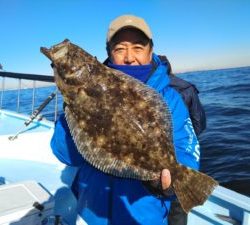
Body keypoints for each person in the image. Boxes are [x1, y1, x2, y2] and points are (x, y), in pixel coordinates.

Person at [51, 15, 202, 225]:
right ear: (109, 53)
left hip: (143, 218)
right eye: (120, 48)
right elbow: (66, 156)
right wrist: (74, 106)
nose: (129, 57)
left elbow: (187, 156)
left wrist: (166, 184)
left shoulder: (171, 99)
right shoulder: (83, 95)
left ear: (151, 50)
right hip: (90, 213)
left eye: (138, 47)